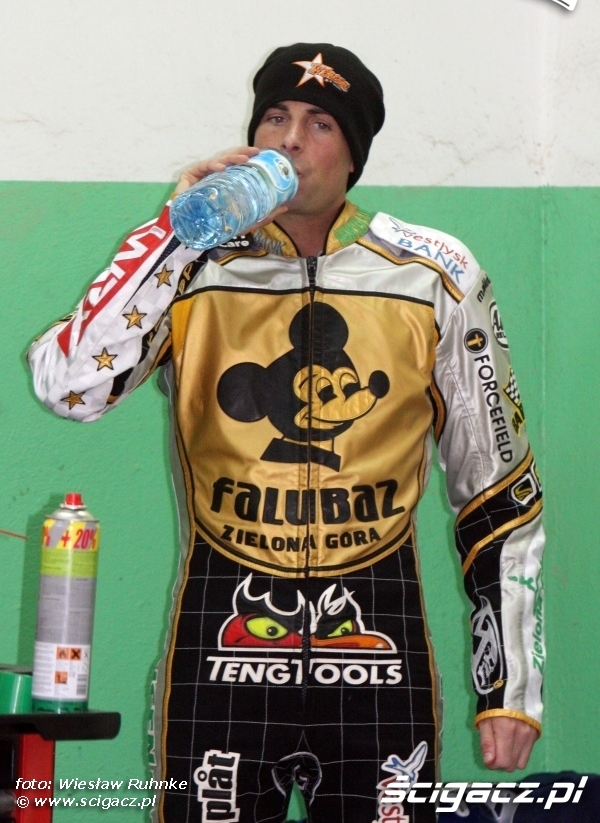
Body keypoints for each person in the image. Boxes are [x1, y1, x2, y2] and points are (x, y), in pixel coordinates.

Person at [28, 43, 544, 823]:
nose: (290, 140)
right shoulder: (194, 265)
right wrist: (173, 231)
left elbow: (497, 490)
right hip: (220, 648)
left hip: (380, 648)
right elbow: (69, 388)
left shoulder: (435, 273)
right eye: (274, 117)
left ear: (355, 153)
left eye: (319, 123)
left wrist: (510, 687)